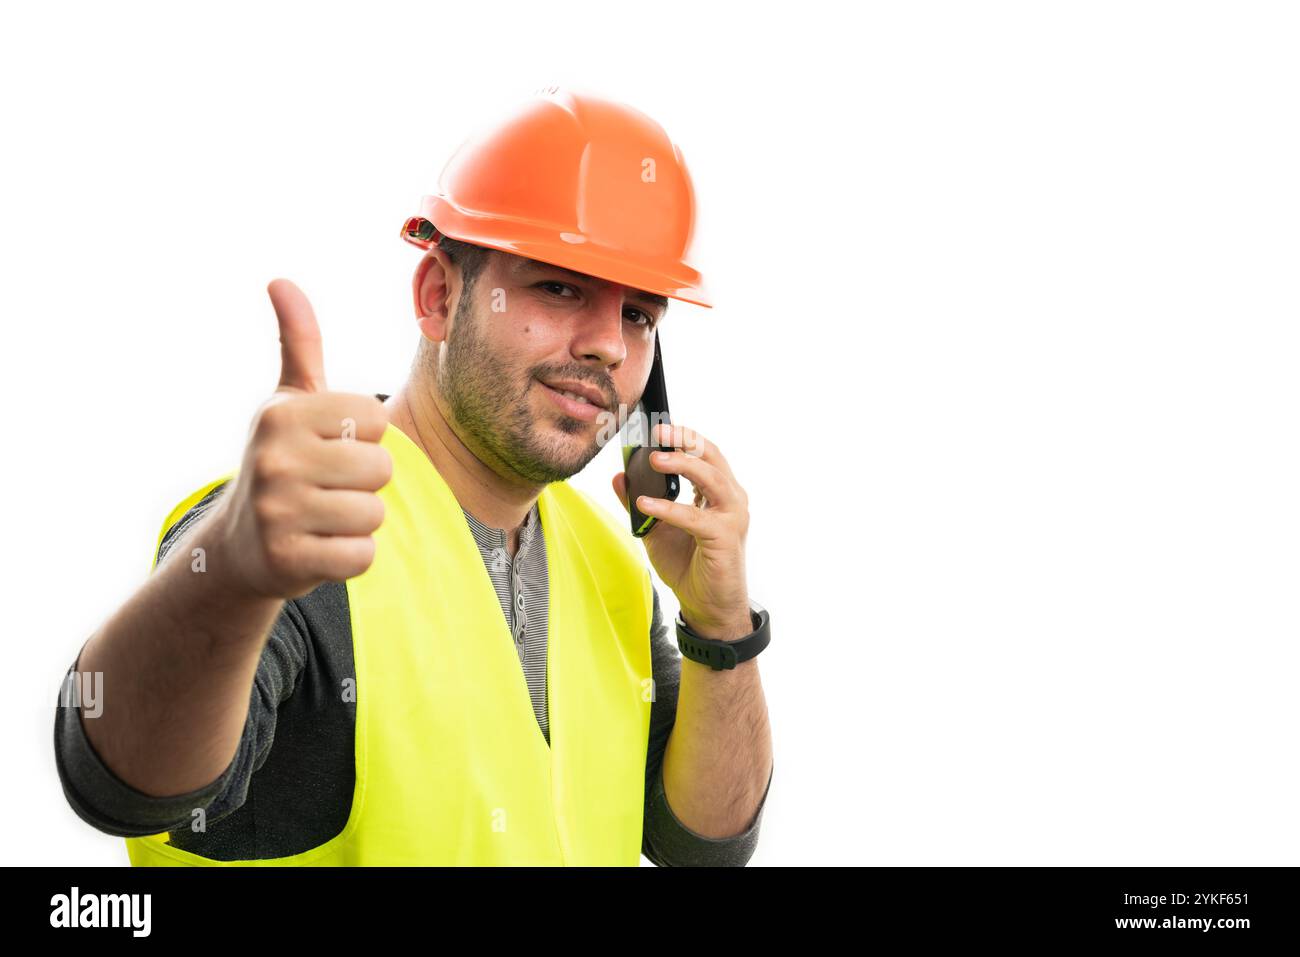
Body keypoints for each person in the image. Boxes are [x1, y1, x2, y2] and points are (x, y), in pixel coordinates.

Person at [54, 88, 774, 866]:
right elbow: (121, 782)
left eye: (639, 314)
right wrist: (231, 570)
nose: (607, 343)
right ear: (438, 296)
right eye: (559, 286)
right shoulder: (302, 528)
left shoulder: (613, 567)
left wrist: (721, 628)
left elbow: (701, 845)